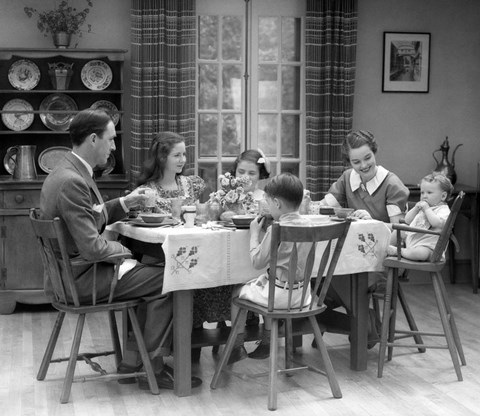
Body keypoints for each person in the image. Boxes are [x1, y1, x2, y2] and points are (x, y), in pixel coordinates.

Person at [40, 109, 201, 390]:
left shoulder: (66, 171)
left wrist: (125, 203)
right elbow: (92, 247)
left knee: (154, 274)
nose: (114, 146)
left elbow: (90, 216)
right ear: (93, 139)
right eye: (111, 140)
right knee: (174, 277)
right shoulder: (72, 181)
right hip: (81, 280)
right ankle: (153, 366)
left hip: (70, 275)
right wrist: (126, 252)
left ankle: (133, 359)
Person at [133, 131, 231, 361]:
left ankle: (203, 339)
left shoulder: (191, 184)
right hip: (159, 257)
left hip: (193, 253)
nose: (182, 159)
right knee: (177, 281)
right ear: (161, 158)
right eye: (176, 155)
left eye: (184, 154)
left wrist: (208, 210)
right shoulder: (148, 190)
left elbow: (200, 212)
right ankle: (165, 349)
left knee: (218, 276)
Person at [319, 130, 410, 347]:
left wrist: (373, 224)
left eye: (367, 158)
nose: (363, 165)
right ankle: (365, 321)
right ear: (349, 162)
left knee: (337, 275)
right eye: (356, 161)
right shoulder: (347, 178)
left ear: (374, 152)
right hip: (353, 256)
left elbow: (400, 233)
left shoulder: (391, 184)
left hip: (385, 259)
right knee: (318, 275)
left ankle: (360, 324)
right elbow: (324, 206)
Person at [228, 173, 312, 363]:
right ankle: (266, 340)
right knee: (263, 282)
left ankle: (236, 346)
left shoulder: (277, 229)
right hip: (303, 296)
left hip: (280, 297)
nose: (267, 206)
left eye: (267, 202)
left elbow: (257, 262)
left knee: (236, 291)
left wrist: (254, 234)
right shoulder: (309, 224)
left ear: (277, 203)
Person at [387, 173, 452, 261]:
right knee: (402, 228)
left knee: (421, 253)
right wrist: (415, 209)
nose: (424, 196)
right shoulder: (422, 208)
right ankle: (384, 249)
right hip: (413, 239)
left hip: (429, 247)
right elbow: (407, 220)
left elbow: (436, 223)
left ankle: (399, 251)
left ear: (443, 196)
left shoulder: (443, 210)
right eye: (422, 192)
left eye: (429, 192)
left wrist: (427, 209)